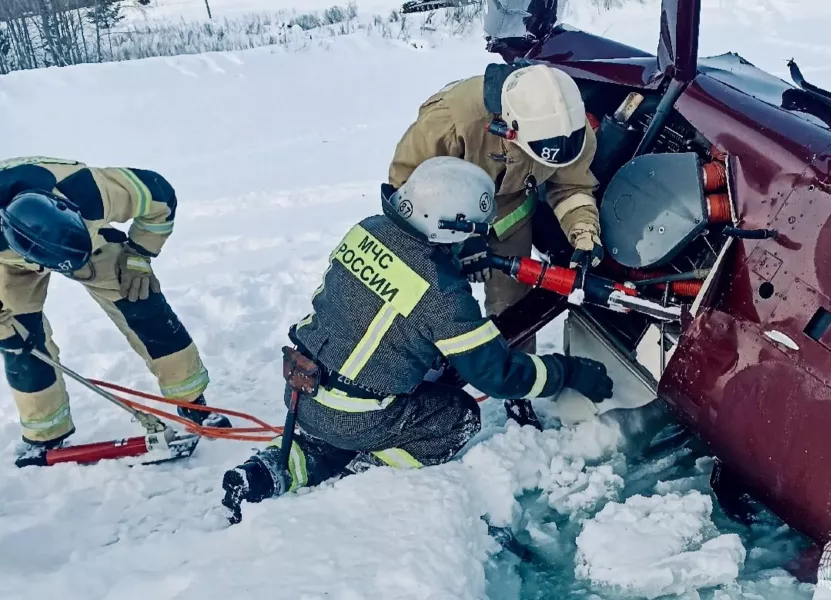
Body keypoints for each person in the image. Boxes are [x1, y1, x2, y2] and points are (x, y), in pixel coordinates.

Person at [220, 157, 613, 524]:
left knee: (349, 416)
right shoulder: (442, 295)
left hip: (302, 390)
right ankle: (365, 468)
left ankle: (270, 471)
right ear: (449, 230)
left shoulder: (368, 229)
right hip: (356, 413)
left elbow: (393, 290)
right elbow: (499, 376)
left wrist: (451, 257)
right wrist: (569, 372)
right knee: (456, 415)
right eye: (473, 232)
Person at [387, 62, 604, 431]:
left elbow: (571, 186)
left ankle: (516, 392)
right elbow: (405, 185)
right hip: (438, 211)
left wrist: (584, 234)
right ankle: (410, 378)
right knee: (431, 301)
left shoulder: (571, 130)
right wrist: (463, 240)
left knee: (513, 305)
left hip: (509, 209)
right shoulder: (452, 120)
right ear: (509, 127)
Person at [0, 156, 231, 467]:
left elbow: (160, 196)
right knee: (19, 342)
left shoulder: (91, 191)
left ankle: (192, 401)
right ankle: (46, 432)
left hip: (88, 243)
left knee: (141, 301)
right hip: (7, 262)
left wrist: (138, 255)